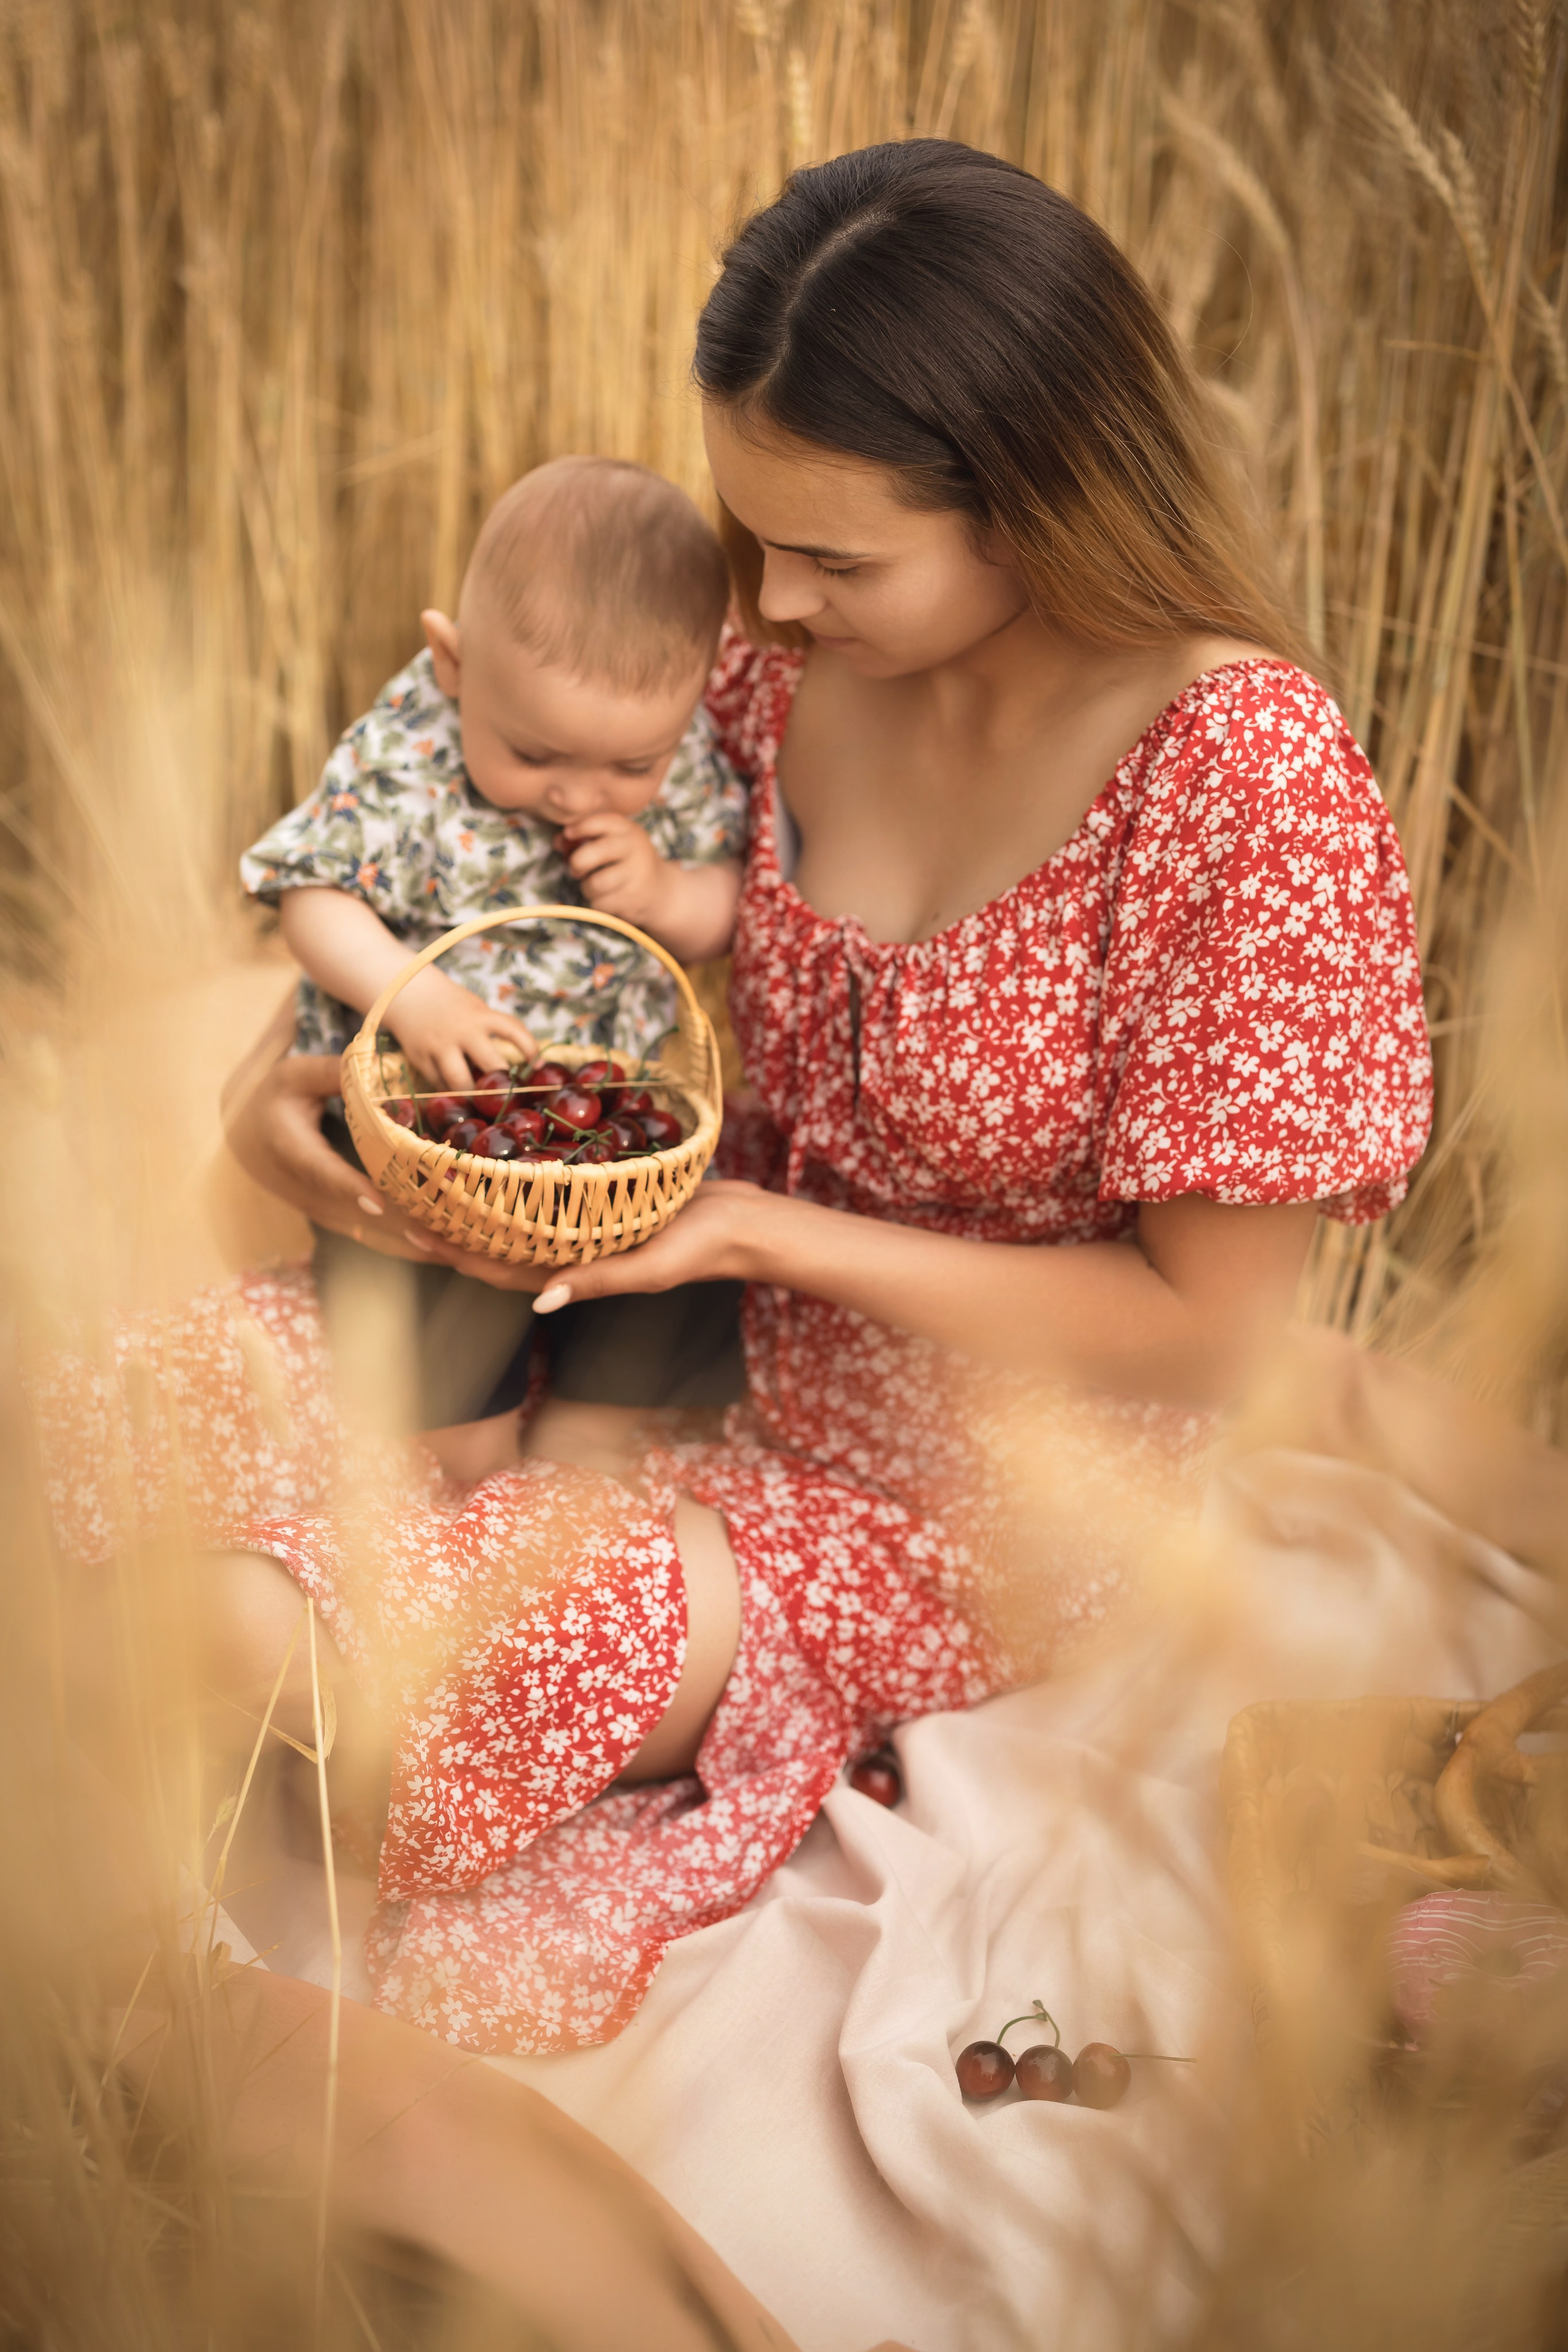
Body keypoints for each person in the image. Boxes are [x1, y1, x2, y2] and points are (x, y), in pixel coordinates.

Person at [42, 140, 1433, 2054]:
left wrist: (767, 1234)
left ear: (1039, 501)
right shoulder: (779, 671)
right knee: (120, 1410)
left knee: (368, 1665)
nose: (767, 603)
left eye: (837, 560)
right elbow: (469, 892)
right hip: (637, 1326)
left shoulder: (1243, 782)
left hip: (965, 1496)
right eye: (751, 530)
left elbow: (1216, 1331)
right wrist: (273, 1093)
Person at [239, 454, 751, 1436]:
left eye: (631, 765)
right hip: (425, 1128)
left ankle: (594, 1452)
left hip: (615, 1140)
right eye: (534, 753)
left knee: (663, 1310)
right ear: (454, 663)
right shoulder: (410, 751)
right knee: (434, 1360)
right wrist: (415, 995)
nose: (578, 793)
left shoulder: (681, 758)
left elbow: (728, 912)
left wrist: (667, 892)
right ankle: (468, 1460)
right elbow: (312, 895)